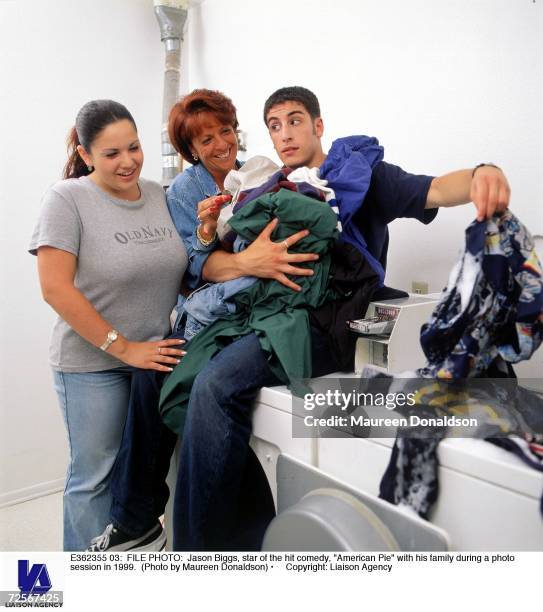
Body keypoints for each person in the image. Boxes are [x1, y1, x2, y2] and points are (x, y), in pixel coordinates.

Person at [91, 86, 512, 552]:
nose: (284, 134)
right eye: (274, 126)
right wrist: (218, 233)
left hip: (324, 321)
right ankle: (147, 523)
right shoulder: (271, 185)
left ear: (318, 125)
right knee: (165, 370)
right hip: (264, 311)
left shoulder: (358, 173)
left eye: (294, 121)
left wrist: (481, 174)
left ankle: (198, 556)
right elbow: (216, 261)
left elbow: (432, 188)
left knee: (214, 385)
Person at [87, 89, 317, 552]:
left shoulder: (261, 175)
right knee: (156, 375)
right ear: (191, 149)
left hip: (257, 308)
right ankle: (141, 521)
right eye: (205, 139)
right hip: (214, 308)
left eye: (226, 132)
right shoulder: (186, 192)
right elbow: (196, 266)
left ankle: (185, 532)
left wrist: (255, 258)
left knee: (199, 392)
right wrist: (239, 254)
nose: (219, 145)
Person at [29, 100, 187, 551]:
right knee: (94, 478)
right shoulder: (67, 199)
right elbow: (56, 289)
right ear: (85, 155)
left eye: (133, 148)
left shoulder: (159, 194)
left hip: (153, 363)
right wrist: (124, 348)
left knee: (138, 479)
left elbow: (185, 264)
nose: (128, 162)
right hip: (92, 364)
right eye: (111, 153)